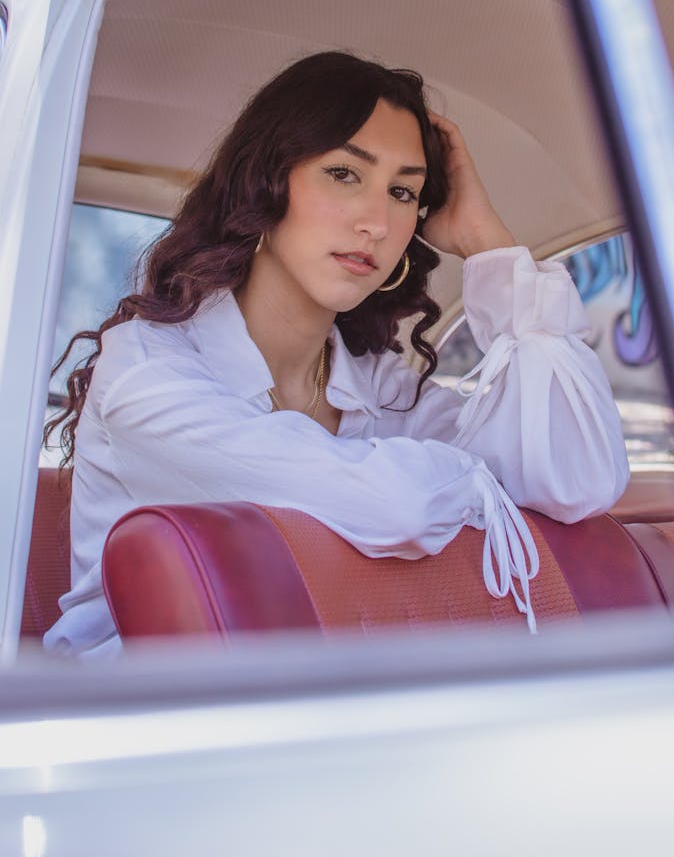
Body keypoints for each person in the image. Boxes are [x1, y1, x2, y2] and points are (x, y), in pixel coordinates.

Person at [45, 51, 629, 657]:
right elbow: (398, 506)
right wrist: (482, 481)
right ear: (265, 184)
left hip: (324, 715)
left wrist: (490, 246)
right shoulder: (146, 368)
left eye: (404, 192)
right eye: (345, 174)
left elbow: (578, 478)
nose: (376, 222)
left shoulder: (375, 383)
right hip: (134, 725)